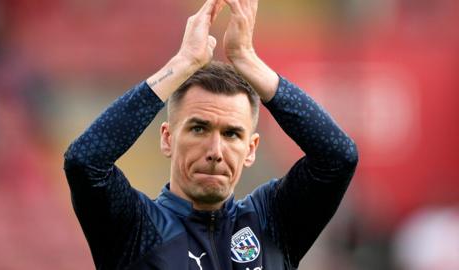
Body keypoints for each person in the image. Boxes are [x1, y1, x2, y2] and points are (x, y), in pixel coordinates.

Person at [63, 0, 358, 269]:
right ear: (167, 138)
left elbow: (338, 157)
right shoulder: (136, 228)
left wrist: (246, 59)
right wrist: (182, 64)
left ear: (251, 148)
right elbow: (84, 161)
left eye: (231, 134)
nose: (215, 150)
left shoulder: (272, 223)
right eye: (198, 128)